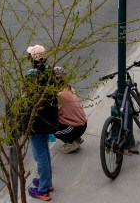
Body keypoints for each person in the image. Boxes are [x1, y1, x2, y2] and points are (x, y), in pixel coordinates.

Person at [24, 44, 58, 202]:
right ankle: (47, 181)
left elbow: (28, 99)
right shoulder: (50, 71)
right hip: (50, 118)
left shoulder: (32, 76)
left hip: (38, 121)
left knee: (40, 154)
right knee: (44, 150)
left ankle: (43, 188)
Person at [54, 68, 88, 154]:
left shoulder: (59, 95)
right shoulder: (69, 88)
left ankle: (71, 142)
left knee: (50, 129)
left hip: (76, 128)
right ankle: (76, 138)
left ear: (57, 80)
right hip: (81, 124)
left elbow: (52, 113)